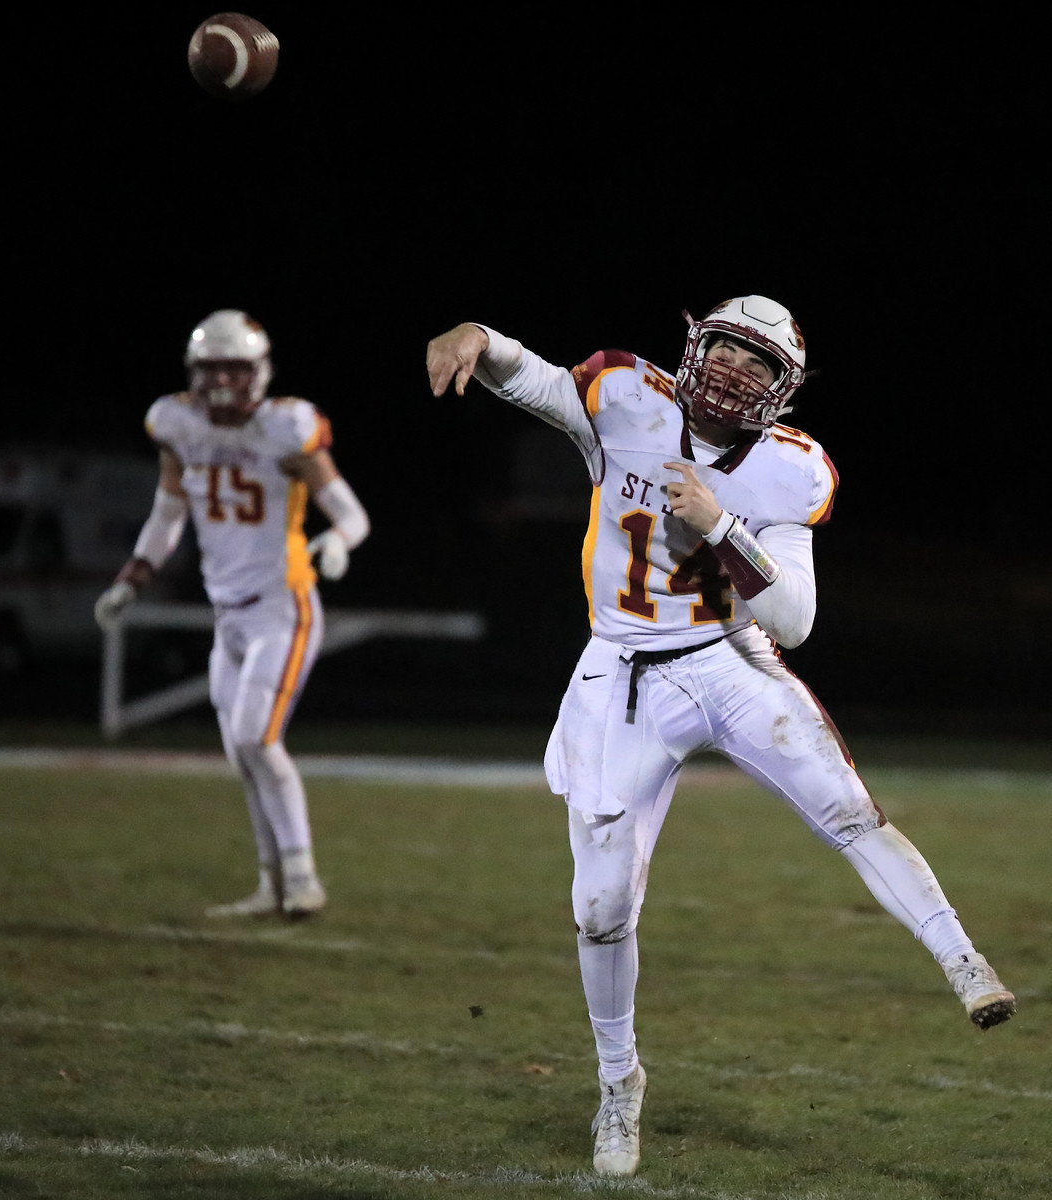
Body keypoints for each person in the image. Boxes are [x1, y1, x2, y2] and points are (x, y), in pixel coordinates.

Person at [426, 296, 1016, 1177]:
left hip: (729, 660)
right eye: (730, 351)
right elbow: (532, 380)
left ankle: (964, 961)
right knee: (601, 908)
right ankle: (619, 1082)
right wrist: (477, 333)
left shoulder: (791, 467)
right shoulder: (625, 397)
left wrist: (721, 524)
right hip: (623, 671)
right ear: (696, 346)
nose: (737, 372)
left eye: (759, 364)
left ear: (784, 388)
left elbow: (796, 620)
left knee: (849, 811)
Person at [96, 309, 370, 919]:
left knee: (255, 737)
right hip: (228, 617)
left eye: (233, 368)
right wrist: (132, 579)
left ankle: (303, 879)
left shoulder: (285, 430)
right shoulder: (180, 427)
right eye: (211, 367)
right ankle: (272, 886)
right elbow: (168, 515)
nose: (221, 381)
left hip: (283, 607)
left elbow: (353, 515)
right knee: (241, 753)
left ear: (259, 371)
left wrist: (336, 542)